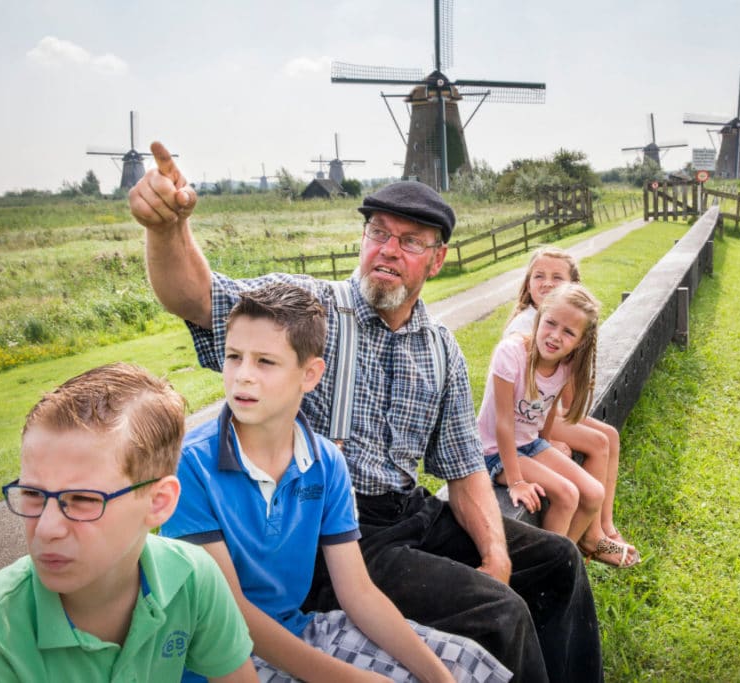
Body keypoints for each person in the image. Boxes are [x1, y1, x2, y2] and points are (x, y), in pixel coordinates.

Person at [130, 142, 602, 682]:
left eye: (409, 241)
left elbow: (465, 466)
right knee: (498, 612)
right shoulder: (311, 309)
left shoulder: (439, 345)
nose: (387, 250)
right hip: (342, 533)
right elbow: (198, 297)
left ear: (438, 258)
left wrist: (495, 552)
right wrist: (166, 228)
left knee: (559, 562)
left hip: (415, 512)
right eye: (378, 233)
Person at [161, 284, 511, 682]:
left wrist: (439, 677)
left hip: (299, 631)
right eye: (234, 357)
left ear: (309, 374)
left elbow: (358, 593)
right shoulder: (192, 465)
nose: (243, 376)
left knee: (461, 665)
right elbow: (231, 613)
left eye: (265, 362)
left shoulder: (326, 462)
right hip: (216, 660)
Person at [0, 363, 257, 682]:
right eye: (32, 494)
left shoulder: (191, 578)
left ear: (159, 502)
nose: (46, 529)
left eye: (83, 499)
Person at [481, 283, 639, 568]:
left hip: (529, 444)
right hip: (495, 451)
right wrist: (516, 481)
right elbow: (503, 424)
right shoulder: (511, 354)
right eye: (551, 323)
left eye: (568, 332)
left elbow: (550, 410)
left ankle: (562, 561)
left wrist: (548, 446)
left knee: (593, 493)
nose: (555, 336)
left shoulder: (565, 364)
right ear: (540, 317)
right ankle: (543, 573)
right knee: (567, 495)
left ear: (580, 341)